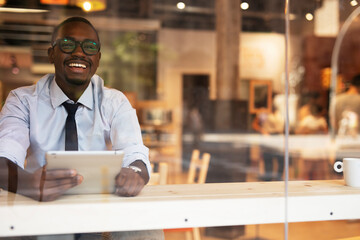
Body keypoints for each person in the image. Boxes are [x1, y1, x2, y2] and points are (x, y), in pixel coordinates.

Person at [0, 17, 163, 239]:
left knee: (145, 227)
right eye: (68, 44)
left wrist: (135, 173)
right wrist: (30, 183)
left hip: (100, 208)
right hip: (39, 206)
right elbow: (3, 159)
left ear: (98, 59)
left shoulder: (114, 102)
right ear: (51, 54)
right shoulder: (22, 100)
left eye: (90, 47)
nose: (79, 52)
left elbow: (135, 152)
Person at [252, 104, 284, 181]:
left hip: (278, 136)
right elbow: (255, 124)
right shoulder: (264, 113)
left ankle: (278, 176)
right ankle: (268, 175)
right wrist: (263, 131)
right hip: (269, 135)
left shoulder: (280, 113)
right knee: (268, 157)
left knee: (280, 158)